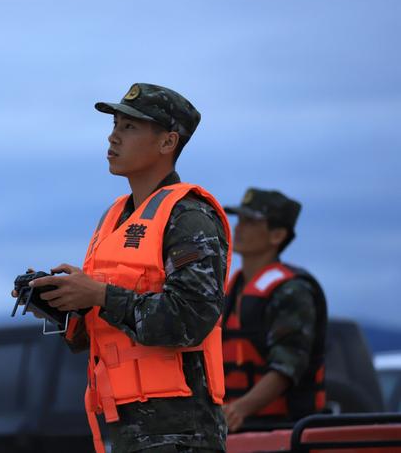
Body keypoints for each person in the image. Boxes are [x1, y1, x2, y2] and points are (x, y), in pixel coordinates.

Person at [22, 83, 232, 453]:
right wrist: (62, 302)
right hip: (122, 430)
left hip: (181, 435)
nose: (113, 137)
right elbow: (98, 336)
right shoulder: (114, 218)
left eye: (129, 127)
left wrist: (99, 294)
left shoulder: (189, 216)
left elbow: (191, 321)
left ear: (168, 142)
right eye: (115, 125)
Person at [221, 188, 327, 432]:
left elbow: (287, 366)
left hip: (285, 430)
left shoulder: (292, 291)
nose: (238, 227)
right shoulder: (229, 289)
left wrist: (240, 408)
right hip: (233, 428)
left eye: (251, 221)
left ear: (277, 234)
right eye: (239, 219)